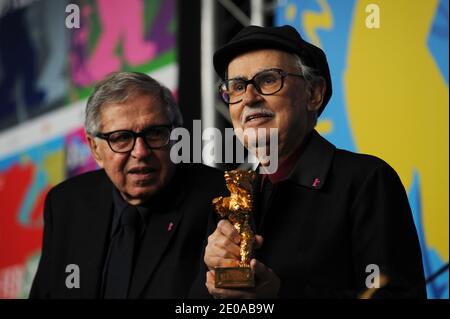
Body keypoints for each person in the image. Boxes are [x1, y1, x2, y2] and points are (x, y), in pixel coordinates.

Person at [190, 25, 426, 298]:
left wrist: (281, 295)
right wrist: (210, 275)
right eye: (237, 87)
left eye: (268, 80)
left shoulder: (366, 180)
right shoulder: (230, 199)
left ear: (313, 94)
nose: (250, 98)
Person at [30, 71, 226, 298]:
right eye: (121, 138)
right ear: (95, 149)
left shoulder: (220, 199)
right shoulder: (66, 204)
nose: (141, 152)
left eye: (154, 133)